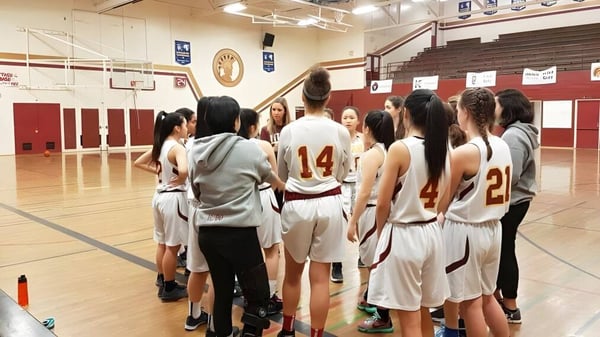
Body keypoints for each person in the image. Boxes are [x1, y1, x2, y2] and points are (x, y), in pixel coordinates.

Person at [189, 96, 285, 337]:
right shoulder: (248, 148)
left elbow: (196, 190)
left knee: (221, 291)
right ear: (235, 121)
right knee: (258, 295)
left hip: (208, 233)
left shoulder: (196, 148)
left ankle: (220, 333)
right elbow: (269, 177)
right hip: (240, 234)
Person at [367, 89, 450, 337]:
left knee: (408, 316)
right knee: (423, 308)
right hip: (432, 232)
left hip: (404, 234)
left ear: (405, 113)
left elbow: (382, 203)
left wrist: (382, 233)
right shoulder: (446, 149)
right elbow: (445, 200)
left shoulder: (400, 148)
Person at [276, 67, 352, 337]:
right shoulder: (341, 131)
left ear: (303, 96)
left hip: (297, 202)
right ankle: (317, 334)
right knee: (320, 279)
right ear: (328, 97)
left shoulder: (289, 130)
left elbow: (281, 175)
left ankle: (287, 330)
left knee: (293, 274)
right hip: (329, 202)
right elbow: (343, 173)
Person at [438, 87, 512, 337]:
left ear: (466, 112)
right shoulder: (503, 145)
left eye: (458, 109)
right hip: (493, 229)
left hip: (466, 231)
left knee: (470, 304)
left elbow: (443, 202)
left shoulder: (464, 152)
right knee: (488, 297)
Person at [344, 110, 395, 333]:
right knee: (377, 260)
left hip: (373, 211)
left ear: (367, 128)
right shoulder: (390, 149)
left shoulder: (372, 155)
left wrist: (352, 221)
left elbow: (364, 193)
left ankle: (383, 317)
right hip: (384, 211)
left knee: (375, 263)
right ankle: (371, 298)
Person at [133, 111, 189, 302]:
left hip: (158, 196)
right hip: (173, 198)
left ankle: (162, 277)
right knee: (173, 247)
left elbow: (137, 162)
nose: (187, 128)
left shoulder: (160, 145)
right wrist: (180, 178)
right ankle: (170, 286)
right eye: (185, 124)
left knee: (162, 243)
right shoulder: (178, 147)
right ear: (177, 127)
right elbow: (184, 170)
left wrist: (158, 173)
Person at [494, 88, 539, 324]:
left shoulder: (513, 135)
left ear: (509, 108)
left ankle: (509, 305)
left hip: (512, 202)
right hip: (517, 201)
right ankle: (500, 300)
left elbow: (509, 175)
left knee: (503, 251)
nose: (494, 110)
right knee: (503, 249)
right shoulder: (521, 132)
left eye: (497, 105)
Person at [238, 107, 284, 316]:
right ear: (254, 126)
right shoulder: (263, 145)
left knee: (247, 252)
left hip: (242, 200)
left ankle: (250, 296)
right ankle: (270, 295)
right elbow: (275, 177)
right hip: (264, 196)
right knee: (272, 249)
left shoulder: (233, 147)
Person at [182, 101, 212, 332]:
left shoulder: (190, 144)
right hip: (213, 209)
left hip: (195, 205)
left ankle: (193, 315)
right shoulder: (218, 145)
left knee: (196, 266)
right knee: (218, 271)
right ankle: (215, 323)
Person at [331, 106, 364, 284]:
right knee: (340, 223)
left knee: (359, 220)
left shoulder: (363, 139)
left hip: (359, 184)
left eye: (352, 117)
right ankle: (337, 264)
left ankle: (363, 254)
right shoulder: (336, 139)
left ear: (358, 120)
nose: (348, 120)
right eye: (345, 117)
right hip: (341, 184)